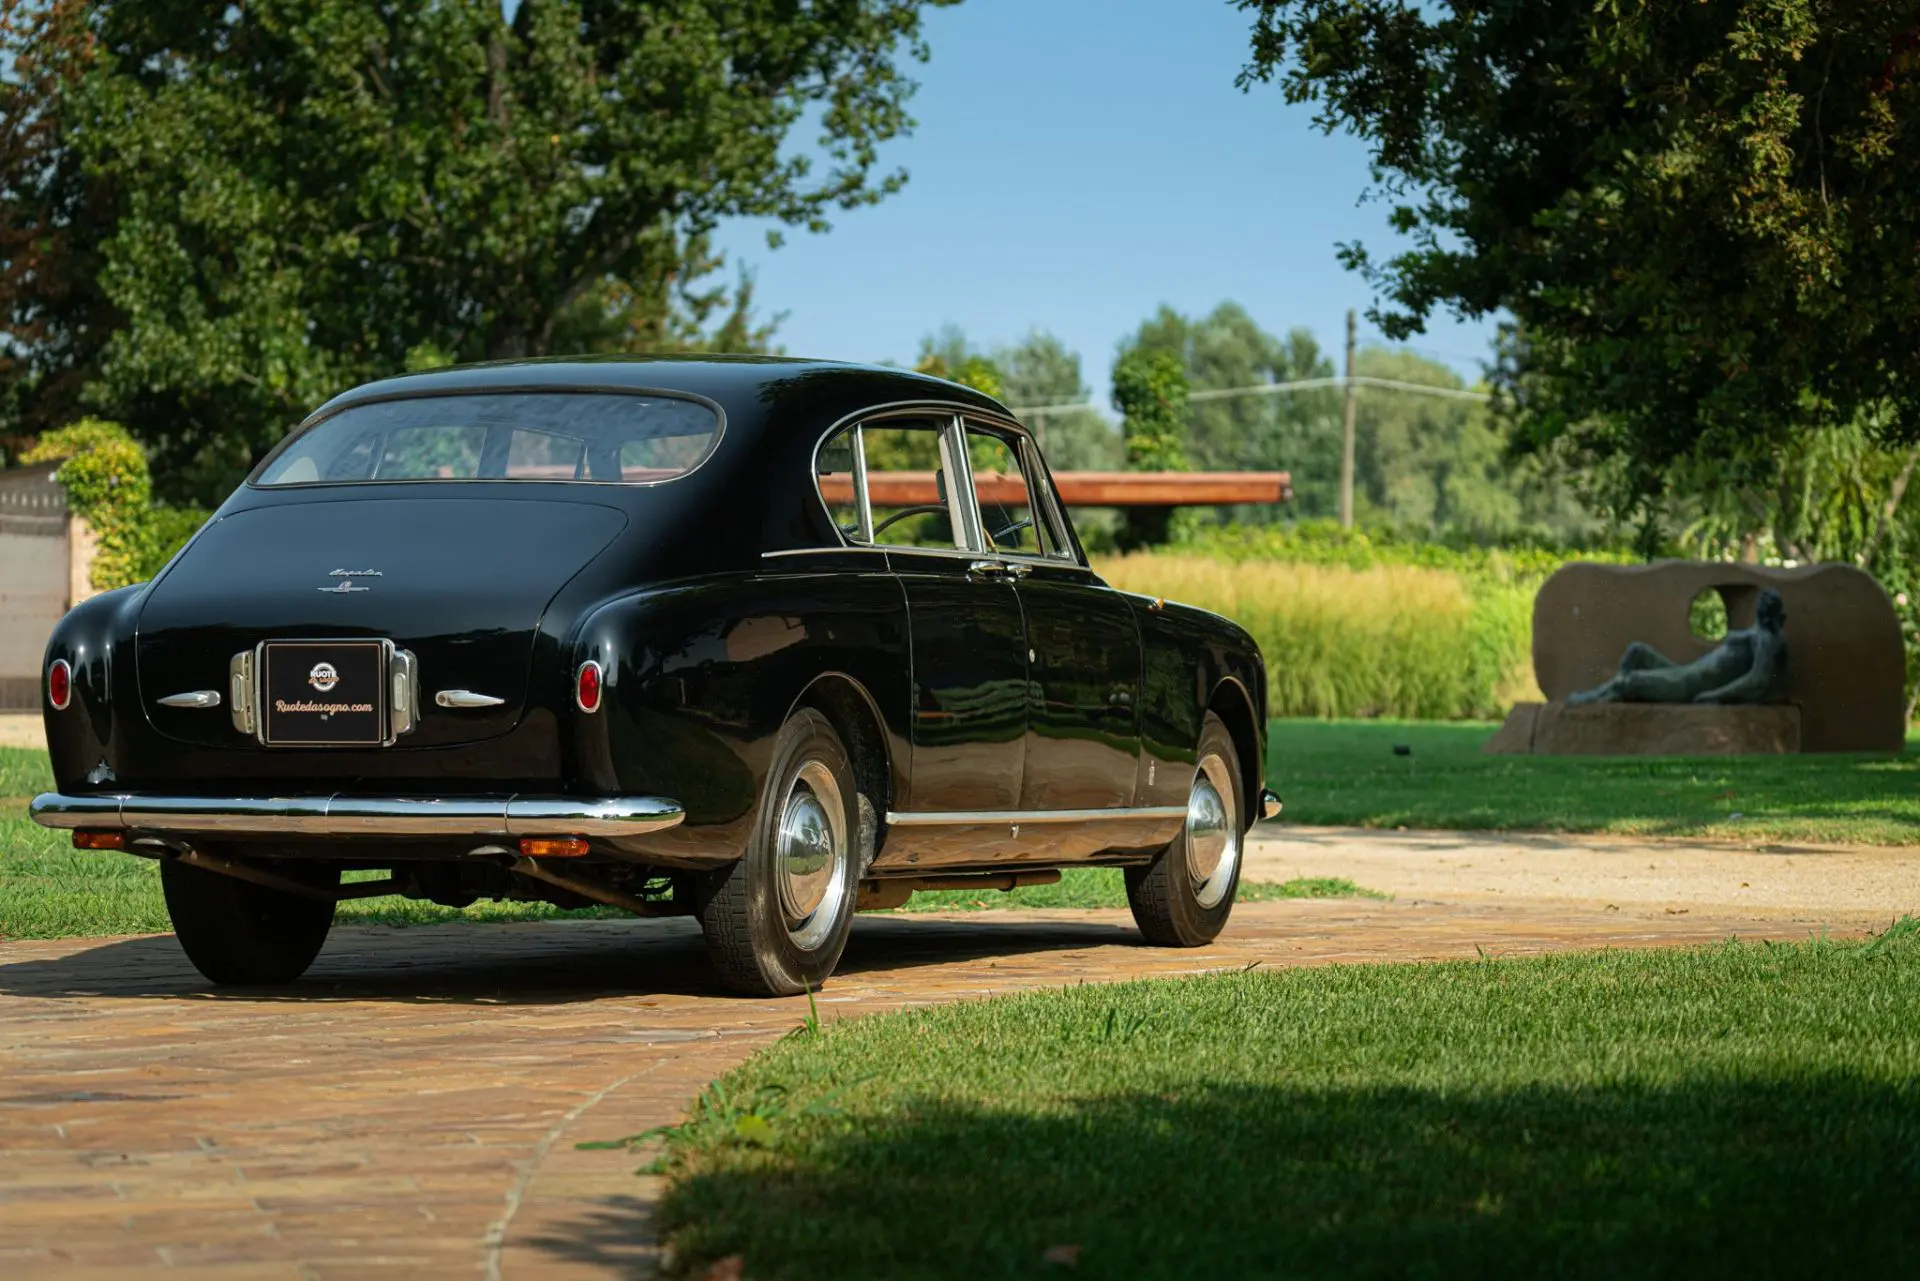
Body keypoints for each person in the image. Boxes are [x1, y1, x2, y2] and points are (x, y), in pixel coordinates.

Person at [1567, 589, 1788, 705]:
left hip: (1687, 687)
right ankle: (1612, 695)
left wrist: (1714, 694)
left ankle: (1596, 698)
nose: (1760, 607)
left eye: (1765, 605)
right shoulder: (1757, 630)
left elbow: (1757, 680)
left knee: (1633, 679)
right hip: (1684, 672)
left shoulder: (1766, 639)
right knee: (1637, 651)